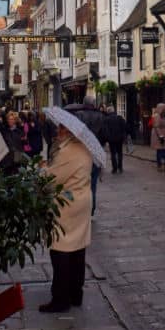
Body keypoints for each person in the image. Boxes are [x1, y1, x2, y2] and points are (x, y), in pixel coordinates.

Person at [40, 108, 104, 313]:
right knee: (77, 249)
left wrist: (42, 168)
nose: (58, 130)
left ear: (68, 130)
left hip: (66, 205)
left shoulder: (69, 151)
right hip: (81, 201)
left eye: (61, 128)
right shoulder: (82, 147)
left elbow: (51, 180)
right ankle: (76, 293)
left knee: (61, 250)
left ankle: (61, 298)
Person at [66, 93, 107, 214]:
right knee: (93, 183)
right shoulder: (100, 116)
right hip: (95, 152)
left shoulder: (79, 115)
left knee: (81, 183)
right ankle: (91, 208)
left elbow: (74, 133)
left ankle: (82, 208)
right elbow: (104, 135)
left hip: (81, 151)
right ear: (93, 104)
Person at [0, 109, 26, 175]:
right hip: (7, 157)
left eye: (12, 119)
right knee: (7, 175)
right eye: (9, 119)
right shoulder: (4, 131)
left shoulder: (19, 131)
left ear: (15, 120)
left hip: (17, 155)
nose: (10, 121)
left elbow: (23, 144)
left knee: (17, 174)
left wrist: (24, 140)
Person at [104, 104, 128, 174]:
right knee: (120, 153)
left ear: (108, 112)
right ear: (114, 111)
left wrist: (107, 138)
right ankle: (120, 167)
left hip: (111, 139)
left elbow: (105, 130)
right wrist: (124, 136)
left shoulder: (107, 119)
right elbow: (124, 127)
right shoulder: (119, 118)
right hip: (119, 139)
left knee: (113, 153)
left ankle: (114, 168)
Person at [150, 103, 165, 170]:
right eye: (164, 109)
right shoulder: (157, 116)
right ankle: (161, 165)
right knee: (161, 150)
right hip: (159, 136)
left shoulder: (163, 116)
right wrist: (161, 136)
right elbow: (157, 127)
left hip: (164, 135)